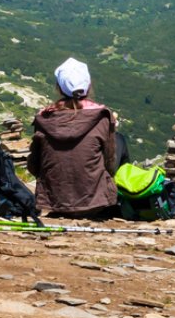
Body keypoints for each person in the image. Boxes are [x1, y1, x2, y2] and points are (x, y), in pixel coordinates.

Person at [27, 57, 120, 217]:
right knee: (120, 141)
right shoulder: (102, 116)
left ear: (59, 88)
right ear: (88, 85)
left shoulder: (44, 118)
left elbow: (34, 165)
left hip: (53, 202)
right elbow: (110, 163)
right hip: (96, 203)